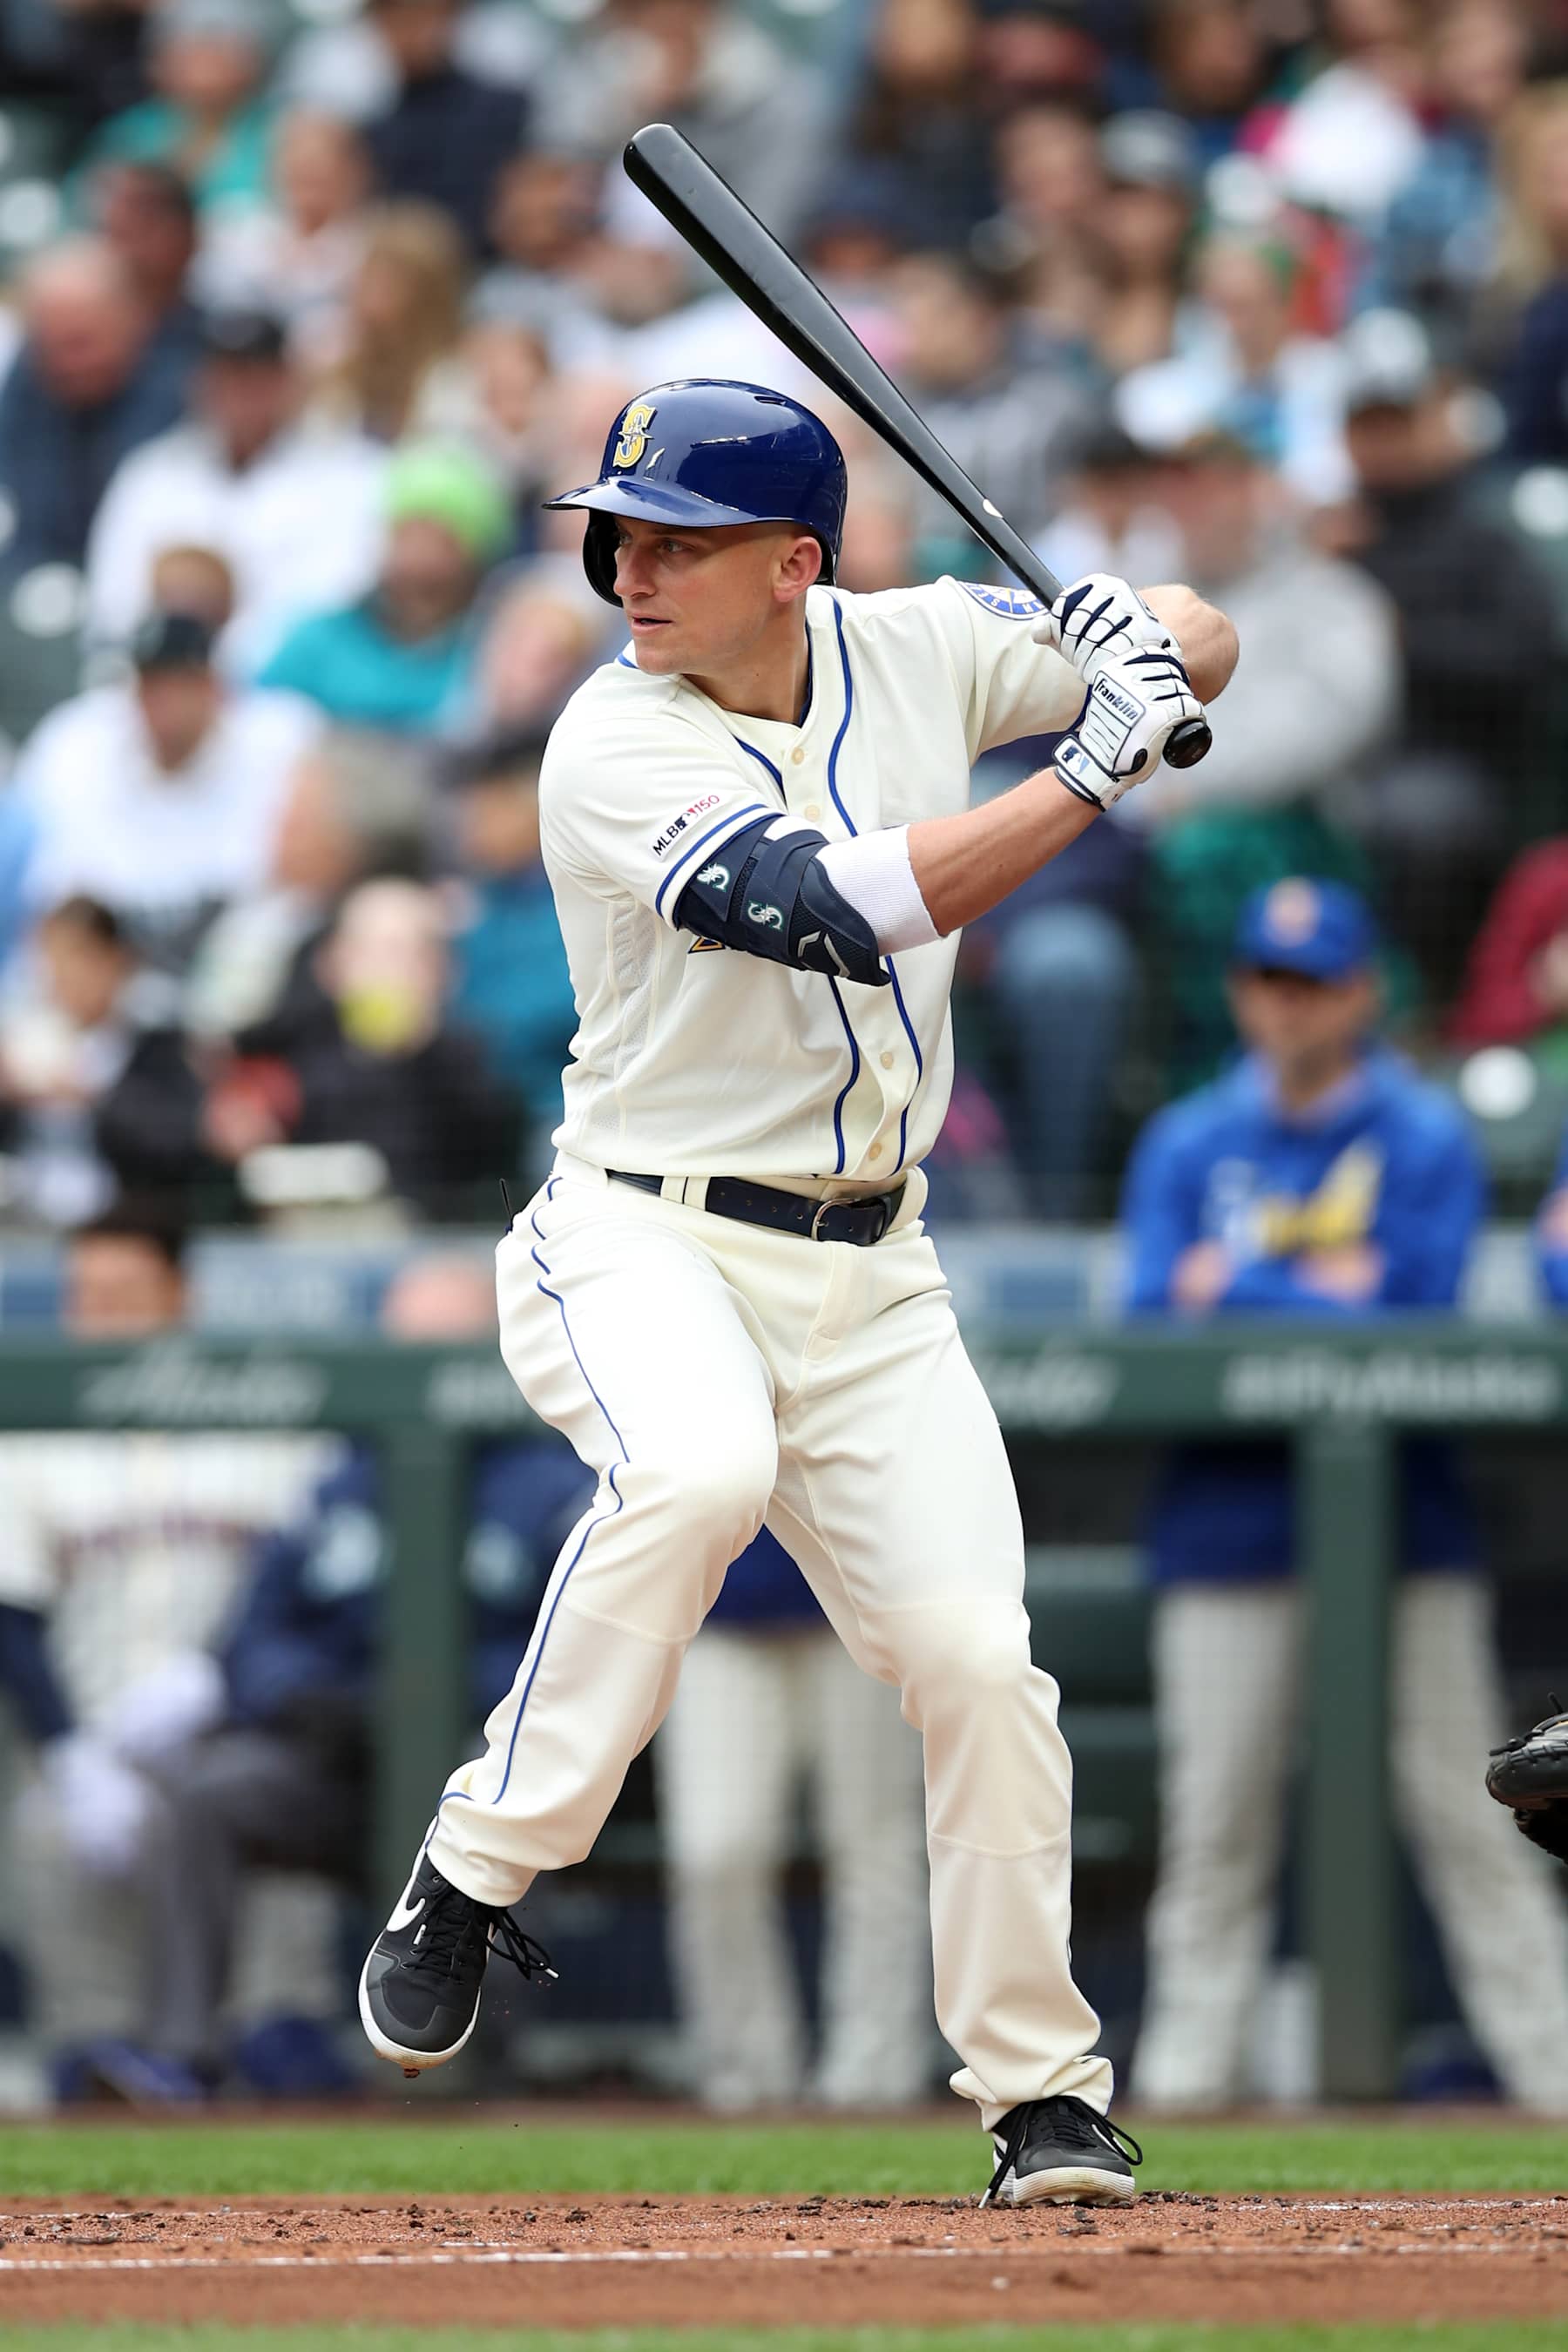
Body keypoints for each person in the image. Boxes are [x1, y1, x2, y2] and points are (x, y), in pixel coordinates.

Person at [357, 375, 1237, 2207]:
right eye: (622, 534)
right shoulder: (608, 742)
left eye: (679, 538)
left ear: (794, 562)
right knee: (693, 1477)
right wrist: (1093, 764)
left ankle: (1042, 2093)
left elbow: (1202, 644)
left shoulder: (913, 643)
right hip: (641, 1230)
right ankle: (476, 1864)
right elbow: (845, 904)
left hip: (875, 1263)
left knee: (983, 1665)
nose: (632, 570)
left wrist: (1138, 638)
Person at [1123, 877, 1568, 2114]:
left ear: (1365, 990)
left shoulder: (1421, 1133)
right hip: (1226, 1528)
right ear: (1239, 989)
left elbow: (1415, 1305)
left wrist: (1247, 1279)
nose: (1289, 1002)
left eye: (1315, 980)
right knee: (1214, 1828)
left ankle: (1556, 2079)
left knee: (1476, 1813)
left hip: (1406, 1532)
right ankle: (1182, 2090)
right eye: (1270, 977)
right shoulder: (1188, 1137)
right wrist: (1323, 1278)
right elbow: (1156, 1312)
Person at [136, 1251, 593, 2093]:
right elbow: (253, 1636)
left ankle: (474, 2070)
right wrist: (308, 1696)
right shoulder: (341, 1477)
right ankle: (180, 2058)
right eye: (401, 1346)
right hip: (331, 1765)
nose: (413, 1369)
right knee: (210, 1794)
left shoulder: (550, 1478)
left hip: (466, 1760)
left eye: (440, 1347)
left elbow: (572, 1658)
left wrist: (419, 1701)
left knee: (511, 1804)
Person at [0, 1203, 333, 2103]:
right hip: (83, 1741)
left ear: (180, 1297)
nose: (100, 1316)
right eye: (85, 1296)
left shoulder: (260, 1413)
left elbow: (302, 1583)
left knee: (275, 2017)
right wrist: (71, 1751)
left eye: (125, 1294)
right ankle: (99, 2073)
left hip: (233, 1729)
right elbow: (13, 1612)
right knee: (84, 2015)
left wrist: (217, 1678)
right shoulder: (30, 1429)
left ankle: (271, 2061)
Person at [656, 1524, 931, 2111]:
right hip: (719, 1604)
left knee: (877, 1849)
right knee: (715, 1851)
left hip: (867, 1599)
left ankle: (874, 2078)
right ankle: (746, 2078)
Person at [13, 608, 320, 976]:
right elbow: (53, 902)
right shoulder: (76, 742)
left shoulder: (283, 740)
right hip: (112, 981)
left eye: (180, 682)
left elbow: (307, 884)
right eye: (150, 683)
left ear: (213, 686)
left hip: (239, 978)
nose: (163, 701)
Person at [84, 305, 388, 670]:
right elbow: (114, 603)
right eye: (226, 375)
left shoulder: (351, 473)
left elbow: (333, 604)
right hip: (153, 683)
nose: (240, 392)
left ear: (290, 380)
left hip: (287, 694)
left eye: (257, 375)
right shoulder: (153, 471)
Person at [258, 442, 512, 733]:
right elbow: (259, 716)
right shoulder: (321, 636)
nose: (417, 554)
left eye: (437, 537)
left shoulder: (493, 647)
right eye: (406, 533)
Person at [0, 239, 190, 580]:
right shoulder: (26, 384)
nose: (68, 363)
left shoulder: (185, 391)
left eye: (82, 343)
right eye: (52, 346)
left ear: (136, 322)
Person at [447, 727, 579, 1184]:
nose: (470, 825)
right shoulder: (483, 898)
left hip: (566, 1104)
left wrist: (457, 1032)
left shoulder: (585, 886)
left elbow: (563, 1007)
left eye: (487, 807)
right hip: (480, 1103)